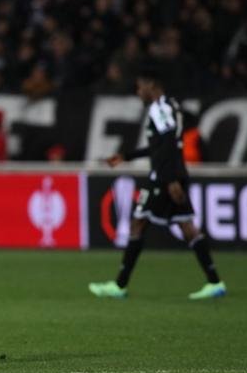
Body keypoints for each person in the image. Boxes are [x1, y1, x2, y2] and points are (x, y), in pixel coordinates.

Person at [89, 63, 226, 300]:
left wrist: (170, 180)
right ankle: (215, 282)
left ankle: (119, 286)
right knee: (187, 228)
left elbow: (169, 144)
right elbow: (160, 145)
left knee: (138, 223)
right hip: (172, 173)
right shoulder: (170, 106)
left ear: (151, 85)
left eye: (139, 87)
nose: (138, 92)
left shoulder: (159, 108)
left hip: (164, 177)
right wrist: (126, 156)